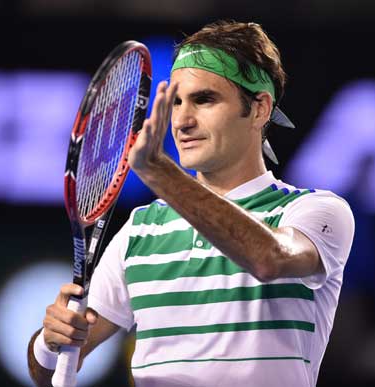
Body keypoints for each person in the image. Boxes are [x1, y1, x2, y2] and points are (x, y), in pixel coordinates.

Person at [27, 20, 355, 387]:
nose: (181, 120)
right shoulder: (140, 230)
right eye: (176, 101)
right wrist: (50, 342)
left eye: (204, 99)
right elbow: (46, 373)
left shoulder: (316, 211)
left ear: (260, 108)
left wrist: (160, 175)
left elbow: (270, 259)